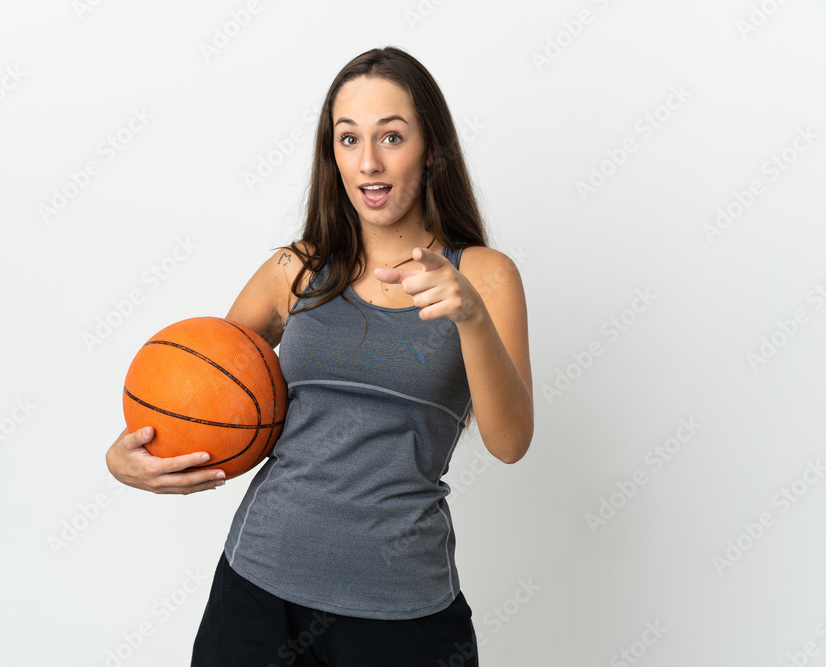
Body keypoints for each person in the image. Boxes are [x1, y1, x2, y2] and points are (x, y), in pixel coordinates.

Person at [105, 45, 533, 666]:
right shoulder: (296, 269)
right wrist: (129, 461)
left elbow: (510, 442)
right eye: (347, 138)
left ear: (431, 148)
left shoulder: (486, 277)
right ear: (330, 153)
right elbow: (200, 397)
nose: (368, 162)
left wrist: (468, 314)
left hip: (402, 608)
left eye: (391, 136)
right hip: (257, 591)